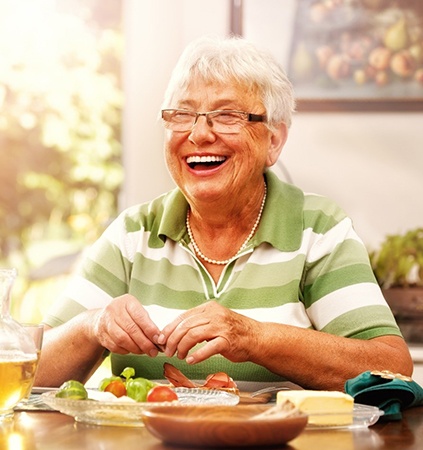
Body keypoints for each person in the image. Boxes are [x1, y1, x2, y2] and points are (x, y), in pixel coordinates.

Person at [36, 35, 412, 392]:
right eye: (182, 114)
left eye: (228, 115)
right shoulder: (133, 234)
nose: (199, 134)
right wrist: (92, 326)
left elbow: (390, 366)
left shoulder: (317, 230)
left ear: (274, 141)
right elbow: (30, 365)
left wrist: (253, 338)